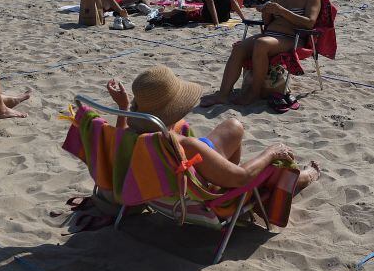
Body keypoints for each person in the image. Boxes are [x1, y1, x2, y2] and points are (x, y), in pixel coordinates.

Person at [104, 66, 321, 191]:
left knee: (233, 127)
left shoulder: (134, 138)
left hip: (175, 174)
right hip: (201, 184)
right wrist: (272, 152)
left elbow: (120, 138)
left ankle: (222, 168)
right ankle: (306, 177)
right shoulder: (184, 144)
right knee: (273, 168)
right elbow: (241, 177)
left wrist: (124, 108)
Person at [201, 0, 321, 106]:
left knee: (262, 44)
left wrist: (282, 11)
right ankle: (223, 94)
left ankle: (254, 92)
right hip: (271, 35)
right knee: (239, 48)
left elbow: (310, 23)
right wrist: (266, 11)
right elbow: (267, 21)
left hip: (293, 38)